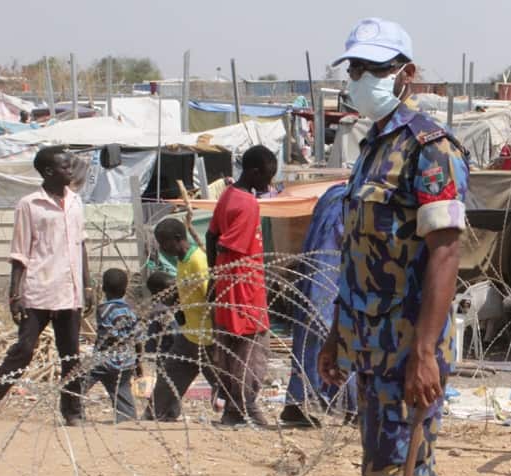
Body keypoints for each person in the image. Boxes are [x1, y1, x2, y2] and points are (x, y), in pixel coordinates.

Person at [318, 18, 470, 476]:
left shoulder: (428, 149)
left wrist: (425, 352)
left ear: (404, 75)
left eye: (374, 70)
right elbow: (359, 257)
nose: (360, 80)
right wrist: (336, 336)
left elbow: (446, 251)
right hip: (368, 345)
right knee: (400, 468)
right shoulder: (373, 148)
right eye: (354, 69)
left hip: (408, 349)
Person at [0, 146, 91, 427]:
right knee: (23, 350)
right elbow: (19, 252)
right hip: (38, 289)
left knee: (71, 356)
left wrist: (88, 286)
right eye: (65, 167)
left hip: (69, 290)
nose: (71, 171)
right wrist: (15, 294)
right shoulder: (29, 205)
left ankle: (72, 412)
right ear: (49, 172)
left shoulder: (75, 201)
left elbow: (82, 244)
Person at [205, 146, 276, 427]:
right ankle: (247, 407)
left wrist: (215, 276)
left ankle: (234, 410)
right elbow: (227, 243)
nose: (269, 184)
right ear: (253, 172)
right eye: (267, 177)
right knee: (253, 351)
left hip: (227, 285)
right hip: (245, 288)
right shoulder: (248, 203)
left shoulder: (228, 194)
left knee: (231, 350)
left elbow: (211, 237)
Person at [281, 184, 356, 427]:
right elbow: (331, 248)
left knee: (309, 342)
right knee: (336, 339)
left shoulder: (335, 195)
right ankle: (353, 407)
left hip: (319, 279)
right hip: (329, 282)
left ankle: (298, 402)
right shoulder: (346, 201)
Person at [149, 218, 221, 422]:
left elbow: (212, 299)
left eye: (164, 243)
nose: (162, 248)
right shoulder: (182, 262)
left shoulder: (198, 261)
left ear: (178, 239)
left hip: (208, 337)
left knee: (222, 382)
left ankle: (237, 414)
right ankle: (160, 412)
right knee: (169, 376)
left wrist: (218, 337)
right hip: (189, 334)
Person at [83, 269, 142, 423]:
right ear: (125, 289)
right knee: (122, 392)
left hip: (103, 361)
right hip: (125, 362)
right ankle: (127, 419)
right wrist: (138, 364)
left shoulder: (103, 310)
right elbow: (137, 339)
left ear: (103, 288)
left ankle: (73, 412)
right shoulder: (131, 311)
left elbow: (103, 336)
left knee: (78, 384)